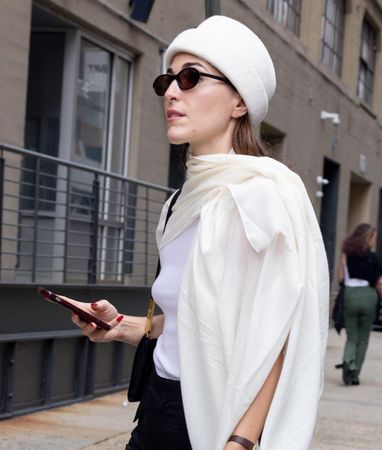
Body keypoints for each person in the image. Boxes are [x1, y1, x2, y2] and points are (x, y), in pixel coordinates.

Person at [66, 16, 329, 450]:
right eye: (168, 79)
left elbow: (276, 338)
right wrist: (122, 325)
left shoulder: (260, 196)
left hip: (211, 421)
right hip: (155, 407)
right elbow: (197, 322)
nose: (171, 91)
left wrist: (241, 442)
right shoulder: (179, 203)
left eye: (190, 78)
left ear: (238, 102)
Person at [337, 223, 382, 386]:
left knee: (351, 337)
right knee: (363, 338)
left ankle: (347, 361)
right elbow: (379, 282)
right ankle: (354, 374)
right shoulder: (374, 258)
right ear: (368, 238)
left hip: (350, 294)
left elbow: (341, 277)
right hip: (368, 295)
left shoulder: (346, 254)